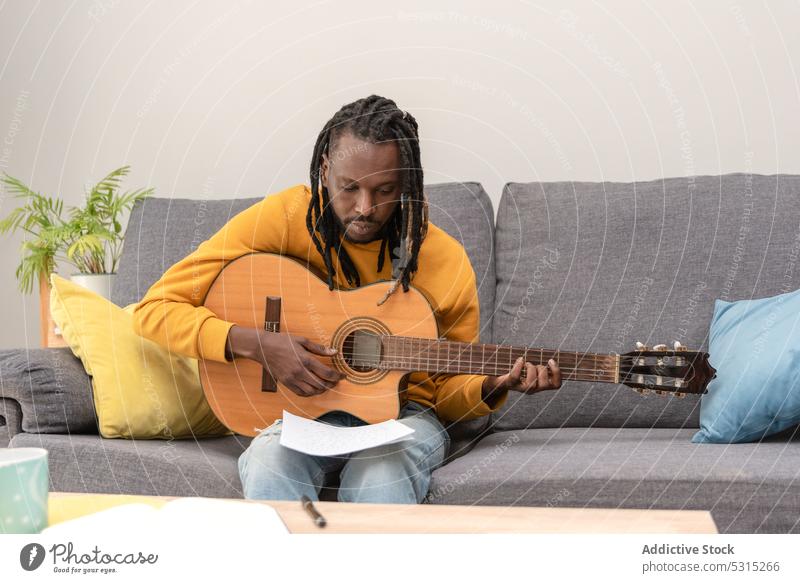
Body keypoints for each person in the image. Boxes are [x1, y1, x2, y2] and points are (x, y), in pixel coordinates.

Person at [132, 94, 562, 504]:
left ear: (408, 183)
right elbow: (156, 310)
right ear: (324, 169)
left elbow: (446, 390)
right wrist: (257, 343)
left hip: (405, 417)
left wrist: (491, 384)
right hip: (295, 414)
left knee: (382, 473)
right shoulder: (284, 218)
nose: (364, 207)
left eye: (384, 191)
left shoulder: (441, 258)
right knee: (268, 464)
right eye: (348, 187)